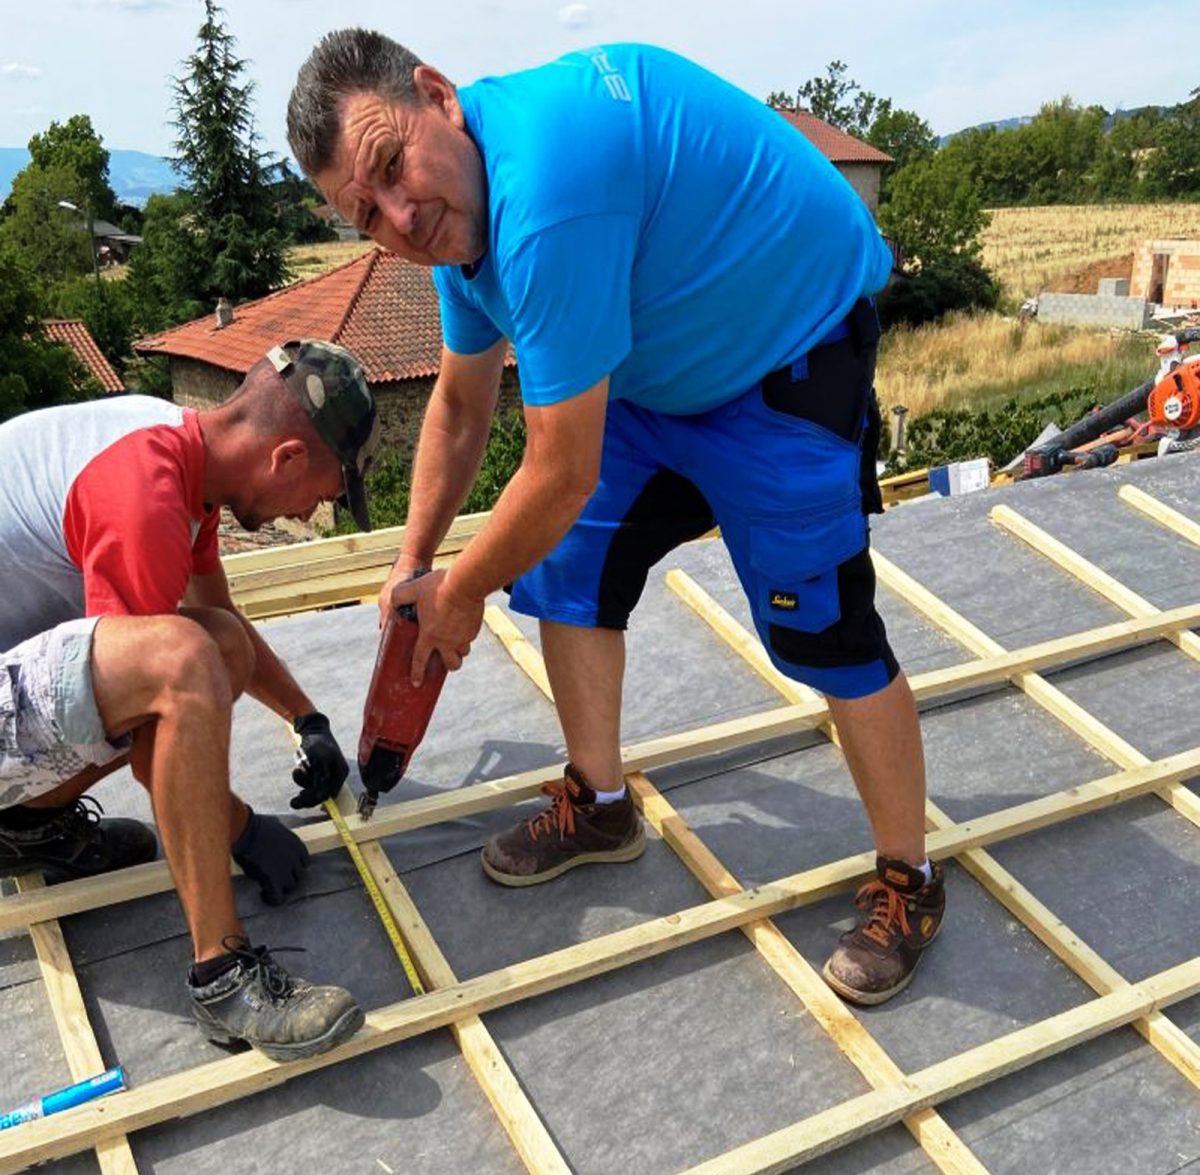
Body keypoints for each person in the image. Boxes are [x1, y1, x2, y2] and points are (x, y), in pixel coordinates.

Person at [288, 35, 943, 1006]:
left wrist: (460, 594)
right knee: (566, 570)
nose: (400, 218)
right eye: (365, 215)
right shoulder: (456, 225)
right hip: (655, 365)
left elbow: (560, 468)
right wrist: (414, 559)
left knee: (824, 627)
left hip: (788, 345)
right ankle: (599, 804)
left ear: (438, 95)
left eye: (392, 168)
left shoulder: (545, 192)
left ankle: (909, 878)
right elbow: (462, 408)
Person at [0, 339, 379, 1059]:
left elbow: (223, 625)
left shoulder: (179, 447)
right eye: (322, 496)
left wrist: (307, 718)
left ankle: (24, 826)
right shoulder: (141, 495)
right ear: (287, 458)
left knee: (215, 646)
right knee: (180, 661)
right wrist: (236, 825)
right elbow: (157, 728)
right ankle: (223, 977)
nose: (308, 516)